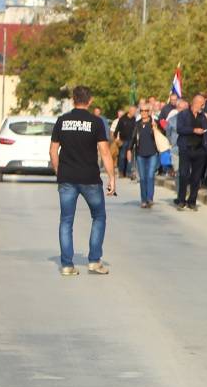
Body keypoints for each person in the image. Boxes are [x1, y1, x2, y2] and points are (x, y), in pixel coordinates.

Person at [50, 86, 116, 275]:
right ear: (90, 100)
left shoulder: (62, 121)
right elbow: (104, 151)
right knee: (99, 217)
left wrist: (58, 171)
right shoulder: (96, 122)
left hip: (67, 178)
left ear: (73, 100)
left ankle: (67, 265)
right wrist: (112, 178)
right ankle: (94, 261)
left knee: (66, 221)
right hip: (90, 179)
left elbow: (53, 150)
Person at [173, 93, 207, 210]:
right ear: (196, 103)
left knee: (196, 177)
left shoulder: (202, 116)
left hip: (199, 150)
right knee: (184, 174)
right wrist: (194, 130)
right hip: (186, 148)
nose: (203, 107)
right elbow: (180, 129)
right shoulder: (183, 114)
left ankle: (192, 201)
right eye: (202, 104)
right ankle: (181, 199)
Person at [129, 99, 161, 207]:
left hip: (152, 153)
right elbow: (133, 138)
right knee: (142, 178)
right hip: (140, 154)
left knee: (150, 176)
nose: (143, 113)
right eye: (141, 111)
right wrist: (129, 149)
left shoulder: (154, 123)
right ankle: (143, 199)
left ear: (149, 112)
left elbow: (162, 135)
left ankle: (149, 198)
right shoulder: (137, 124)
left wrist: (156, 128)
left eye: (146, 110)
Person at [114, 105, 136, 180]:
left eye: (135, 111)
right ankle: (121, 172)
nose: (134, 112)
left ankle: (128, 172)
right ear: (129, 111)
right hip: (123, 140)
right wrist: (116, 139)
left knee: (129, 157)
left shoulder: (134, 119)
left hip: (131, 140)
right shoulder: (122, 119)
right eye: (133, 111)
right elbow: (116, 130)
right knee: (122, 156)